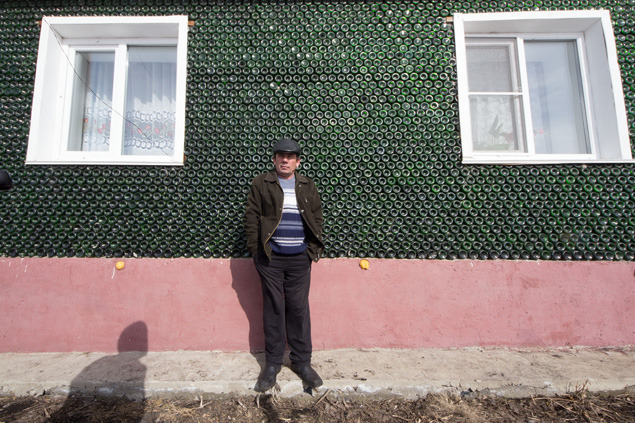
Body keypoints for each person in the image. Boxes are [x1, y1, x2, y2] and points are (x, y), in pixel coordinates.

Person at [244, 138, 325, 392]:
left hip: (300, 258)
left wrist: (312, 250)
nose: (285, 160)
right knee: (274, 309)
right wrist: (257, 252)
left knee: (299, 309)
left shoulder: (307, 185)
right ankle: (272, 365)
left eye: (290, 157)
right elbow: (251, 217)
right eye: (281, 156)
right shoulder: (262, 183)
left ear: (298, 162)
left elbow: (317, 217)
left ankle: (302, 362)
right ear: (274, 159)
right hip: (271, 258)